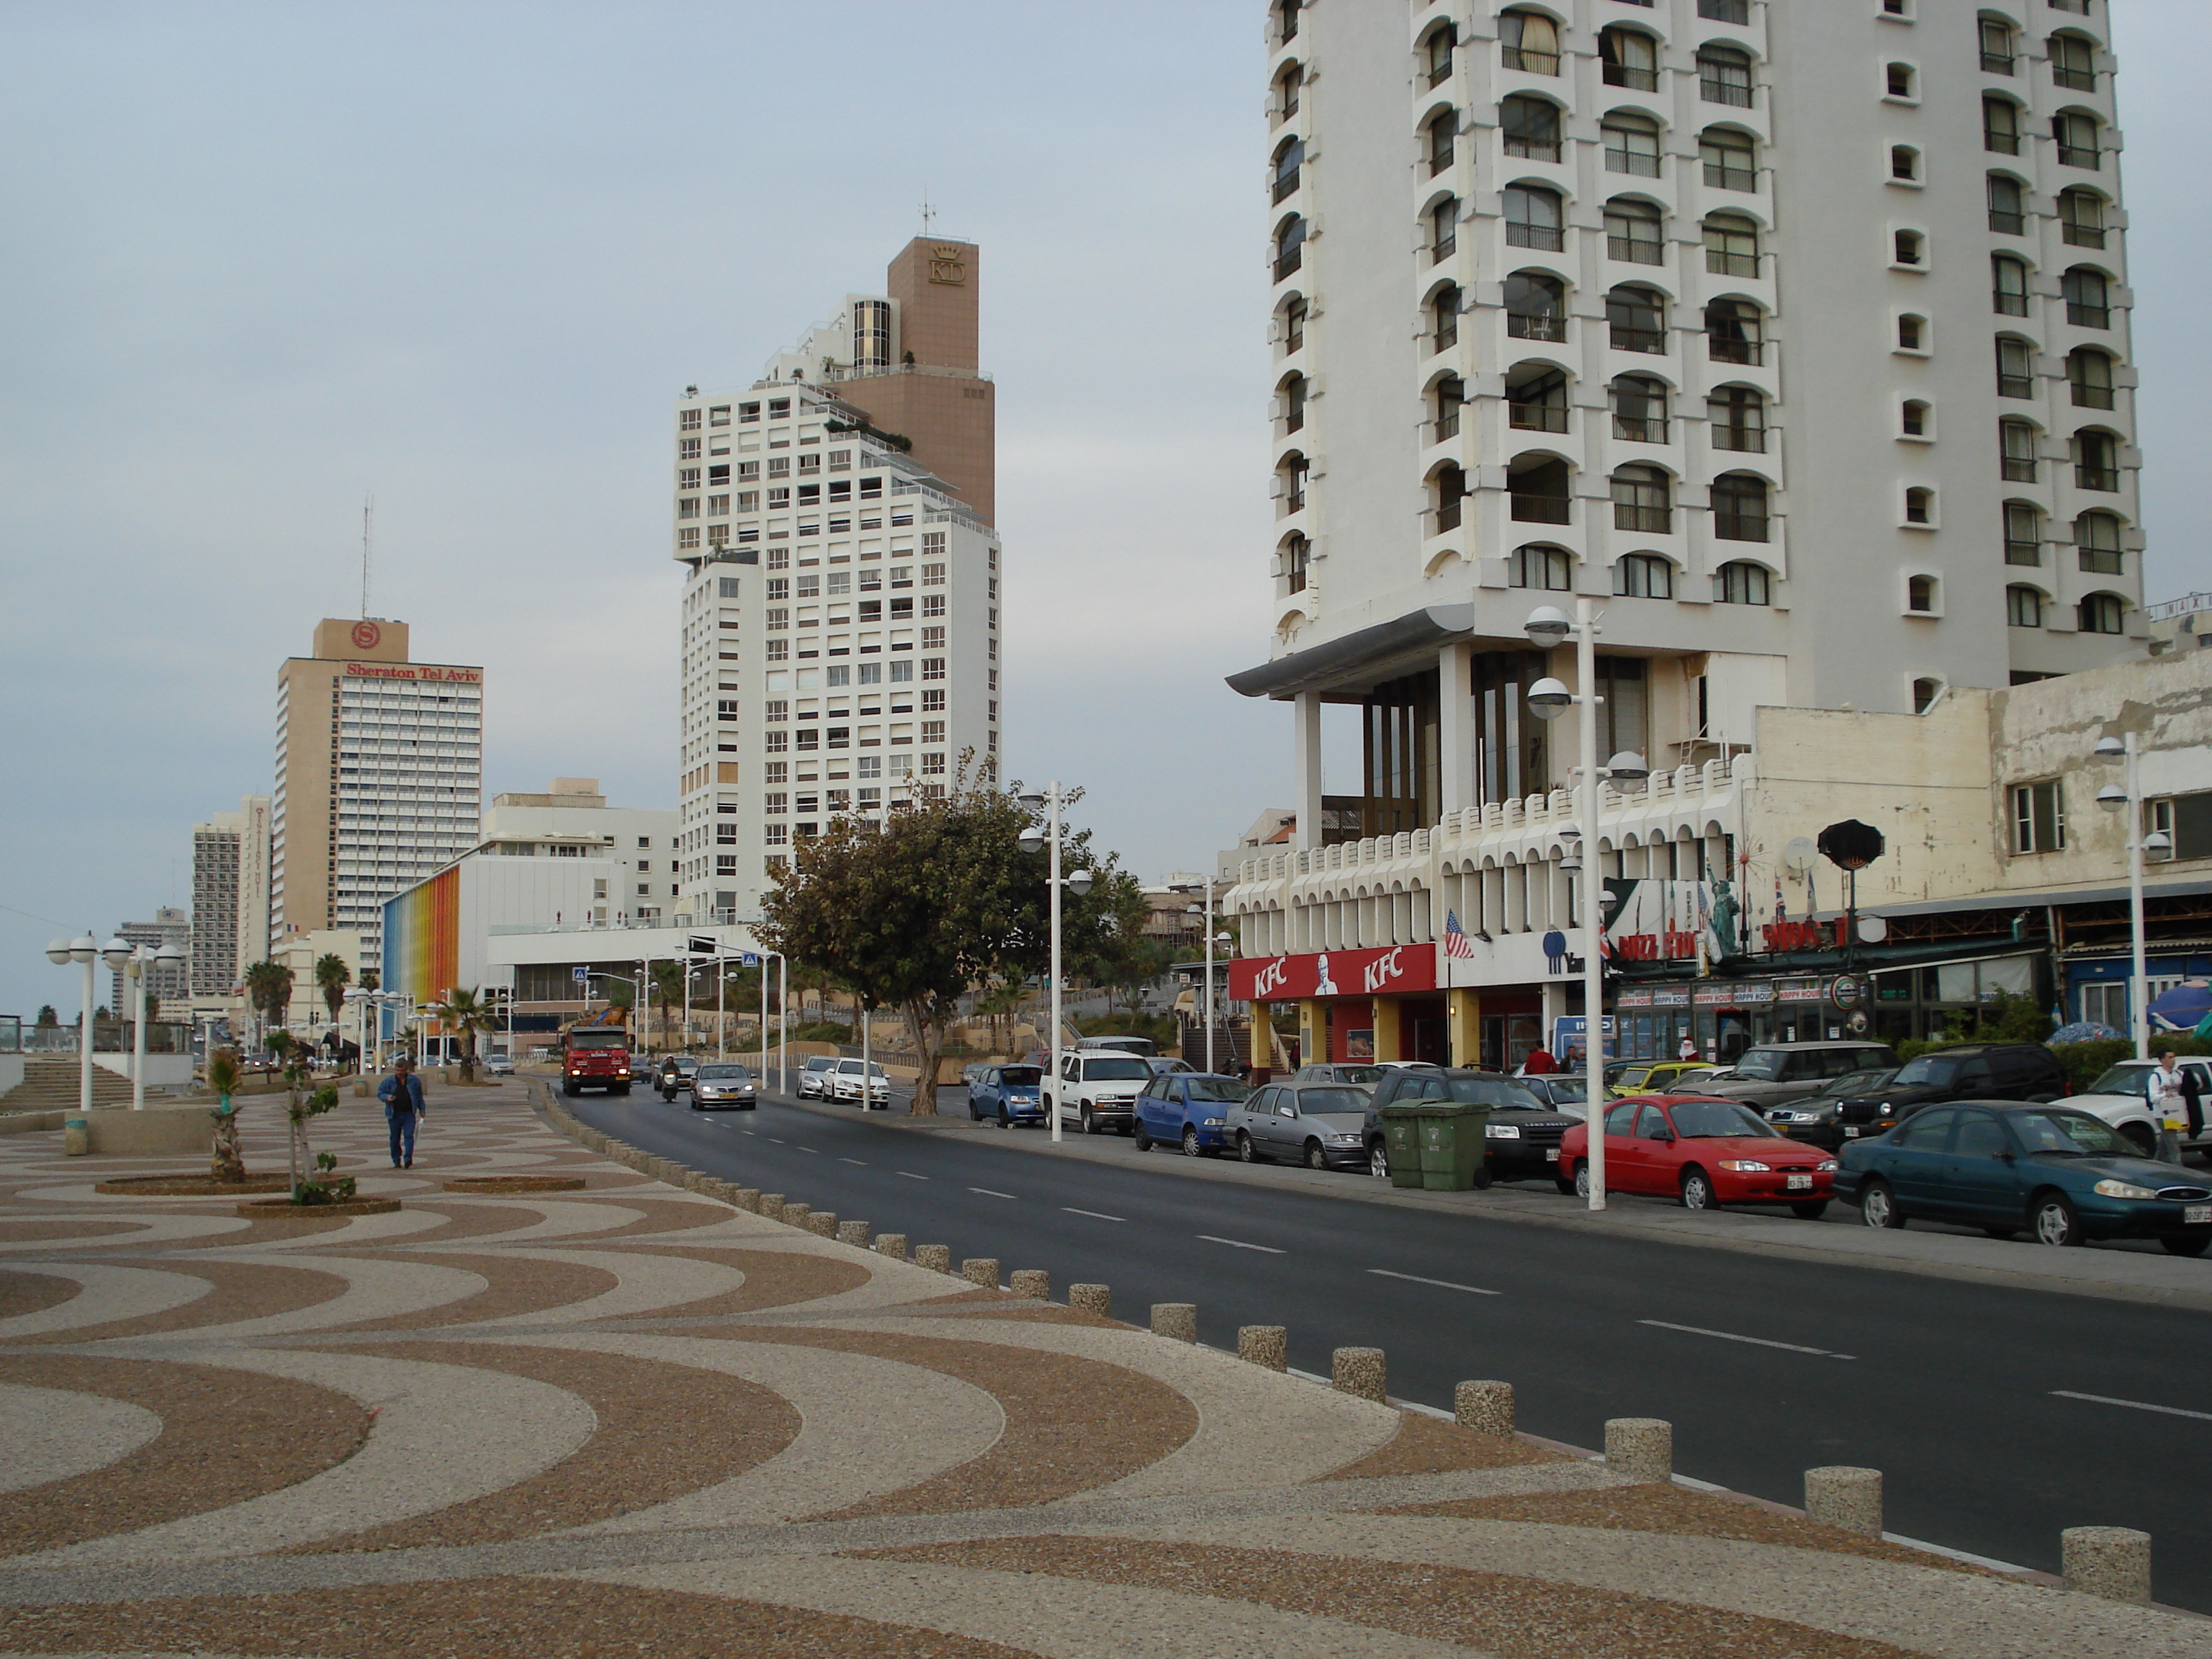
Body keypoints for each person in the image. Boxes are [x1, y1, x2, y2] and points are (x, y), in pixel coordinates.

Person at [377, 1055, 428, 1170]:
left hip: (409, 1113)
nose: (399, 1073)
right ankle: (396, 1159)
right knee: (395, 1138)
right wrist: (387, 1097)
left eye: (402, 1070)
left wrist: (422, 1110)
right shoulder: (389, 1081)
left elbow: (419, 1097)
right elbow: (380, 1092)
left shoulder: (414, 1081)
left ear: (406, 1070)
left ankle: (408, 1158)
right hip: (394, 1114)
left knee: (409, 1136)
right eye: (398, 1070)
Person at [2150, 1051, 2188, 1163]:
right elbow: (2153, 1097)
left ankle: (2155, 1163)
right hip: (2162, 1114)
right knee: (2173, 1145)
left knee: (2165, 1142)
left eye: (2174, 1057)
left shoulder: (2178, 1074)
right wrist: (2164, 1095)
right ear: (2162, 1060)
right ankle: (2179, 1169)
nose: (2173, 1060)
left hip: (2176, 1112)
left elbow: (2197, 1083)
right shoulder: (2156, 1076)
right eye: (2170, 1057)